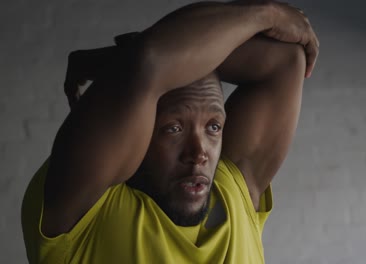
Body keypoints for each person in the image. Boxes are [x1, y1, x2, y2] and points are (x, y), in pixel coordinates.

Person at [21, 1, 319, 263]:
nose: (199, 152)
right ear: (135, 131)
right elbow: (152, 62)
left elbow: (285, 60)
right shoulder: (84, 209)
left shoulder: (234, 188)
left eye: (213, 126)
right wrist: (268, 13)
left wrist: (117, 64)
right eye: (173, 128)